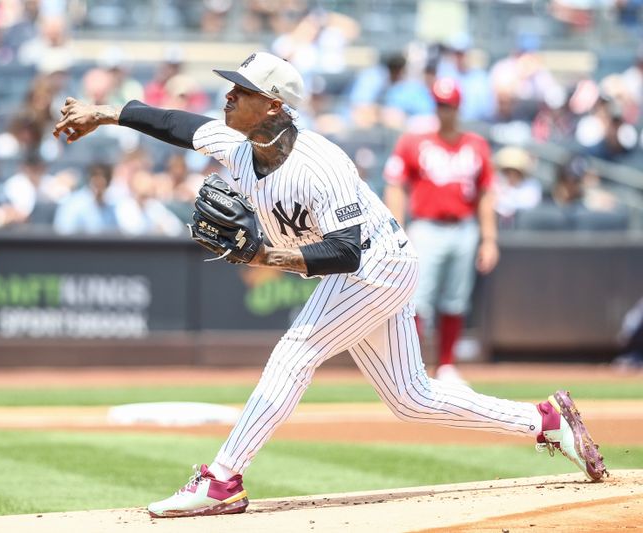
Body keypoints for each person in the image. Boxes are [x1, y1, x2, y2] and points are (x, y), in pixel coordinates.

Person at [53, 52, 607, 519]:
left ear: (272, 105)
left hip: (377, 265)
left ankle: (223, 480)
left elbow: (345, 251)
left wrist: (266, 254)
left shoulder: (321, 165)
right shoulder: (236, 144)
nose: (228, 96)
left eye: (241, 90)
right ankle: (545, 420)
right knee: (411, 399)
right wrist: (105, 114)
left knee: (297, 350)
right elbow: (173, 122)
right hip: (370, 266)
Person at [383, 78, 499, 385]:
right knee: (418, 300)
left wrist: (489, 238)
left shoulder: (476, 144)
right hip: (426, 227)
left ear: (458, 107)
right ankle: (414, 367)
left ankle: (446, 365)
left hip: (464, 227)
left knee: (455, 299)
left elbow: (487, 193)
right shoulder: (414, 141)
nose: (443, 111)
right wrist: (398, 229)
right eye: (439, 105)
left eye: (448, 105)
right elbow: (396, 185)